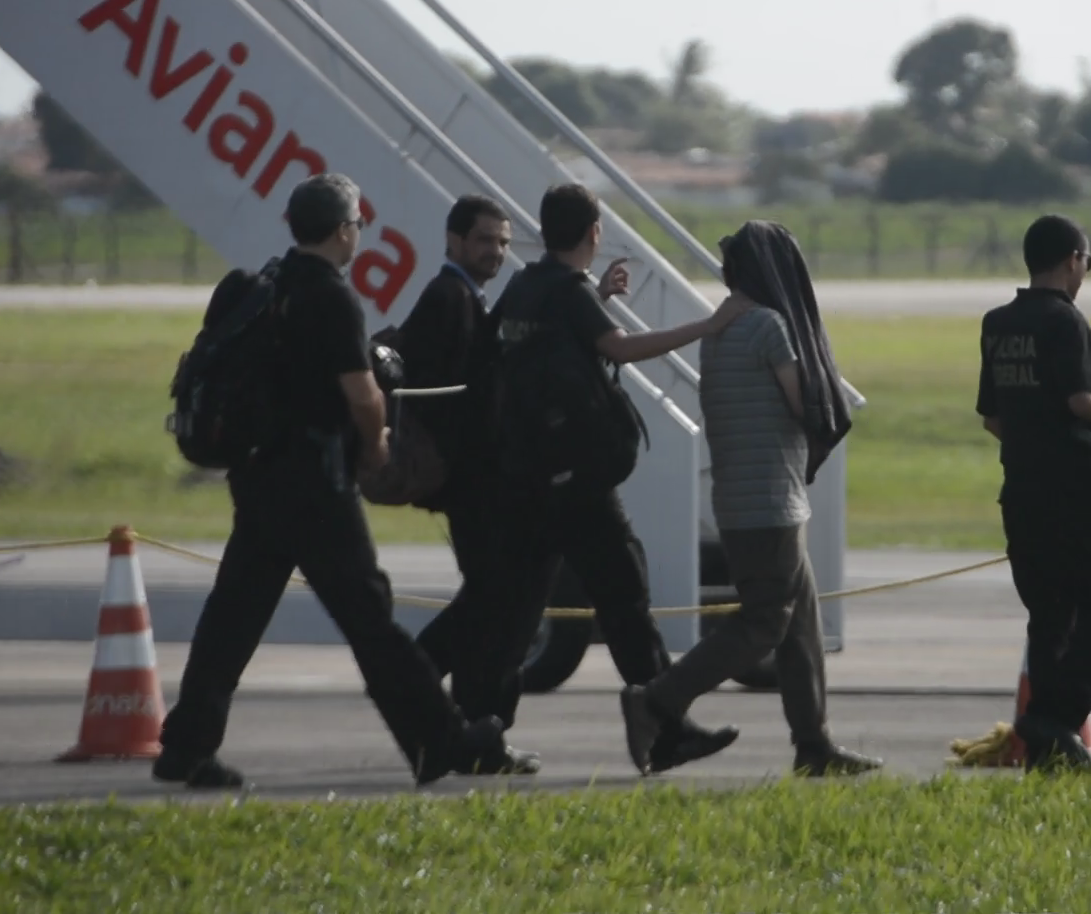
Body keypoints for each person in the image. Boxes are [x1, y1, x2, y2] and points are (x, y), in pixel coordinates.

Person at [153, 174, 531, 790]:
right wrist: (378, 445)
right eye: (357, 224)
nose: (359, 233)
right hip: (314, 485)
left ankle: (186, 748)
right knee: (371, 621)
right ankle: (442, 740)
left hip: (257, 479)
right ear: (342, 231)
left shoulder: (265, 286)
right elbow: (362, 395)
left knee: (233, 617)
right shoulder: (330, 297)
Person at [486, 182, 749, 773]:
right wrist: (708, 326)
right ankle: (666, 726)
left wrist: (597, 297)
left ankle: (483, 727)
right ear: (594, 234)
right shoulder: (569, 292)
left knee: (520, 605)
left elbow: (517, 348)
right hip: (577, 481)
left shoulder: (526, 285)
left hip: (527, 473)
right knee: (626, 597)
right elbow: (620, 349)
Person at [620, 221, 883, 778]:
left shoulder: (720, 329)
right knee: (765, 623)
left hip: (744, 499)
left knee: (801, 626)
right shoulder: (767, 326)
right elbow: (801, 402)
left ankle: (814, 745)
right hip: (771, 503)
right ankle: (657, 699)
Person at [974, 214, 1091, 772]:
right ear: (1073, 258)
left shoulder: (998, 323)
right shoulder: (1066, 322)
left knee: (1051, 613)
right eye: (1087, 263)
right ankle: (1056, 715)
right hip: (1075, 491)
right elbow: (1082, 401)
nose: (1086, 273)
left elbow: (993, 419)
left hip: (1022, 492)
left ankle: (1052, 747)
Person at [388, 195, 523, 724]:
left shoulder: (468, 297)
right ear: (454, 241)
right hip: (468, 481)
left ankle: (460, 710)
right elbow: (443, 393)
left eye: (504, 243)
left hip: (473, 480)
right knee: (491, 595)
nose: (496, 252)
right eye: (486, 240)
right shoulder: (448, 297)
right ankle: (417, 681)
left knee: (488, 596)